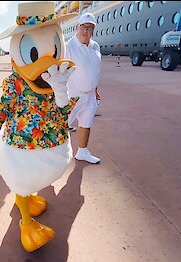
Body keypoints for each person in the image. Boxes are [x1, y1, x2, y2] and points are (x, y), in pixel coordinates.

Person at [66, 12, 102, 164]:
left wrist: (94, 89)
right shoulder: (68, 47)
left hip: (90, 96)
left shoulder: (95, 46)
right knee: (59, 126)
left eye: (90, 27)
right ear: (77, 27)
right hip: (73, 95)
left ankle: (82, 152)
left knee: (86, 125)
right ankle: (47, 157)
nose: (86, 30)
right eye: (83, 26)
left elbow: (95, 69)